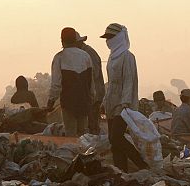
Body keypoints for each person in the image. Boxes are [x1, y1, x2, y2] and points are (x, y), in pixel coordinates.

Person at [101, 23, 148, 171]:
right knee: (113, 141)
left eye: (110, 37)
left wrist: (125, 103)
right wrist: (104, 101)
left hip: (123, 104)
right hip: (111, 102)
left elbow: (129, 80)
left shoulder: (127, 57)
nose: (108, 40)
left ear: (119, 37)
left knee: (117, 137)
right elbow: (110, 82)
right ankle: (121, 170)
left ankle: (142, 165)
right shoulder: (112, 56)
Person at [47, 27, 93, 137]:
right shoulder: (86, 56)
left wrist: (51, 101)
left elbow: (56, 85)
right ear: (75, 40)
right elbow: (91, 83)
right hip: (84, 101)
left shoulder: (59, 57)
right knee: (83, 135)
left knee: (71, 134)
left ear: (62, 40)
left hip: (68, 103)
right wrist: (90, 100)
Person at [75, 30, 105, 135]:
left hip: (94, 94)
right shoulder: (84, 52)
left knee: (92, 124)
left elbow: (94, 74)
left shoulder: (88, 53)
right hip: (91, 94)